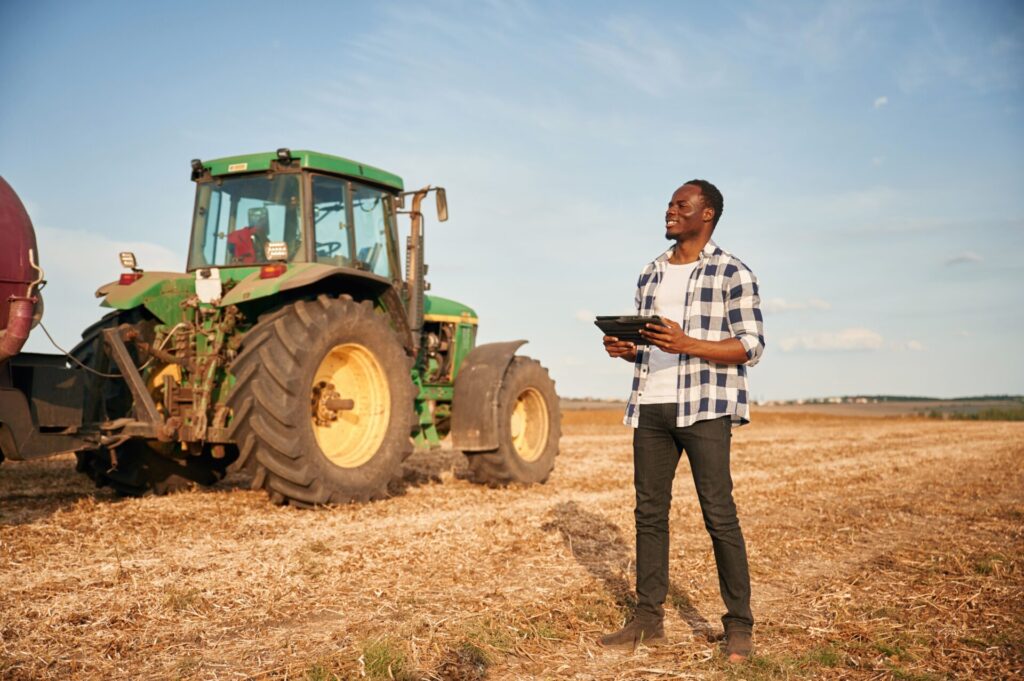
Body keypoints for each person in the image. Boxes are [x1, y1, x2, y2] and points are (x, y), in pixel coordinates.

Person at [600, 179, 765, 662]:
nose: (670, 211)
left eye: (681, 205)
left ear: (706, 214)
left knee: (719, 515)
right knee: (649, 515)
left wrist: (686, 343)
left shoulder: (733, 272)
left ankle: (739, 627)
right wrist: (629, 349)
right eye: (670, 204)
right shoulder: (651, 272)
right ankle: (648, 622)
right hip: (651, 404)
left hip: (706, 408)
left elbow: (750, 347)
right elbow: (654, 347)